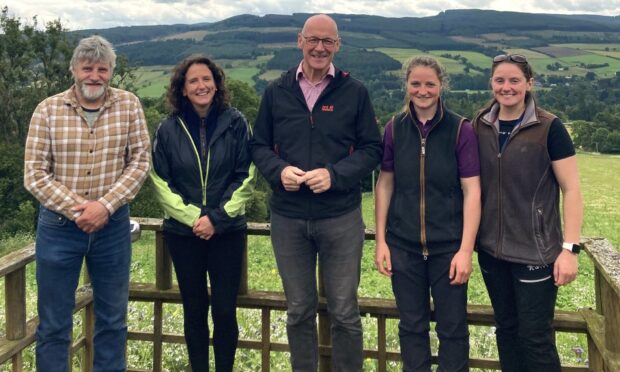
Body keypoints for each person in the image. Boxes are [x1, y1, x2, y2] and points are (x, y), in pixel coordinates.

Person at [250, 13, 382, 372]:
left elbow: (373, 149)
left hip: (340, 217)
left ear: (337, 45)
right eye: (314, 40)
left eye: (328, 41)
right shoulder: (276, 91)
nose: (320, 48)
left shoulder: (354, 93)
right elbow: (258, 145)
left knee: (344, 311)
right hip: (288, 218)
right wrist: (279, 172)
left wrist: (335, 175)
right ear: (300, 41)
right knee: (298, 312)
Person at [23, 35, 150, 371]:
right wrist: (80, 208)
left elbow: (140, 162)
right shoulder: (47, 110)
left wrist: (105, 206)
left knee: (112, 319)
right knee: (53, 323)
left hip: (112, 228)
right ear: (74, 70)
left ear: (111, 72)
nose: (94, 75)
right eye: (87, 68)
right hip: (59, 228)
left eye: (102, 69)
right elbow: (35, 174)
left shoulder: (129, 105)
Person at [473, 54, 583, 372]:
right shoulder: (479, 124)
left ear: (529, 84)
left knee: (535, 338)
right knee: (506, 331)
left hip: (535, 253)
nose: (507, 87)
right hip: (491, 251)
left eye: (514, 81)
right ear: (491, 83)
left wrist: (570, 249)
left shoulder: (549, 128)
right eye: (500, 80)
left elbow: (572, 190)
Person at [374, 56, 481, 372]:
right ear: (406, 85)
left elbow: (472, 190)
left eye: (430, 84)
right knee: (411, 327)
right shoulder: (394, 128)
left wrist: (465, 250)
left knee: (452, 329)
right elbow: (385, 184)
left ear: (441, 85)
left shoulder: (460, 129)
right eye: (416, 83)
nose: (423, 90)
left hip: (448, 249)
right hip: (403, 247)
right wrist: (381, 241)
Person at [150, 55, 255, 371]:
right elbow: (158, 180)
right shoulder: (167, 129)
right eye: (193, 80)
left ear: (217, 83)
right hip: (184, 234)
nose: (201, 86)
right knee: (193, 311)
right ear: (182, 89)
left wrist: (217, 218)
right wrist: (193, 217)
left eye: (206, 79)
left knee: (224, 311)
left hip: (227, 232)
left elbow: (247, 175)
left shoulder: (237, 123)